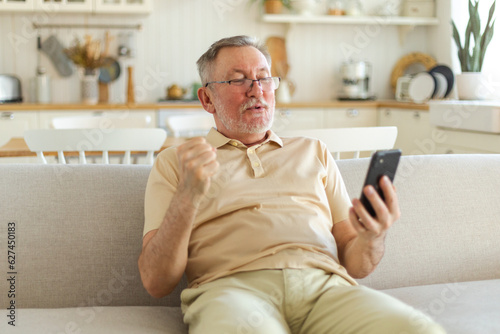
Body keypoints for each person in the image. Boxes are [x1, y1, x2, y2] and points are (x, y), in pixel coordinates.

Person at [138, 35, 445, 334]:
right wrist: (188, 196)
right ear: (207, 99)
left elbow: (358, 263)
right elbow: (156, 282)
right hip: (231, 291)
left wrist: (373, 236)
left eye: (264, 78)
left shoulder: (315, 151)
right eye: (238, 80)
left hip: (326, 290)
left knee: (419, 329)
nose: (256, 90)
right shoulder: (177, 163)